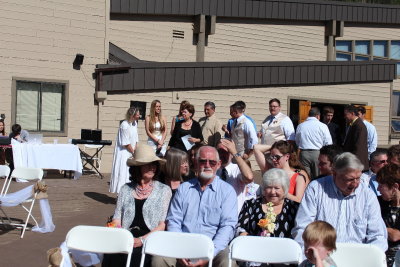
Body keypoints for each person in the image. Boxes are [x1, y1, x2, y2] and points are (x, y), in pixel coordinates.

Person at [151, 146, 238, 267]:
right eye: (203, 161)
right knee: (159, 259)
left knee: (228, 262)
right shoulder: (184, 188)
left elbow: (227, 227)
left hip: (214, 247)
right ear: (196, 163)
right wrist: (180, 250)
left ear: (218, 165)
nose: (207, 165)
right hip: (183, 245)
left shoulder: (227, 192)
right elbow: (174, 220)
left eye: (212, 162)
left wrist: (210, 254)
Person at [292, 152, 388, 252]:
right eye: (350, 179)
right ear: (334, 174)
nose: (355, 184)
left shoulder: (367, 195)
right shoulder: (316, 188)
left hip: (358, 256)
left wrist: (369, 258)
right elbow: (302, 228)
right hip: (322, 255)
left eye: (358, 178)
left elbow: (378, 236)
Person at [102, 144, 172, 267]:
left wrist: (142, 240)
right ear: (137, 167)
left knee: (136, 256)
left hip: (151, 239)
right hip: (126, 237)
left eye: (154, 164)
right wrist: (121, 238)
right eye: (148, 164)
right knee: (111, 255)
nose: (152, 168)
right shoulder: (125, 189)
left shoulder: (164, 190)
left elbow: (162, 225)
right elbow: (116, 219)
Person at [237, 168, 299, 238]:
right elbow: (239, 228)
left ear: (284, 189)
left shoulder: (293, 207)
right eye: (269, 187)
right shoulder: (250, 204)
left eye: (276, 188)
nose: (272, 192)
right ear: (263, 188)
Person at [217, 138, 258, 213]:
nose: (222, 154)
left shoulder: (237, 169)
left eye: (226, 151)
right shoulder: (213, 171)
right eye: (219, 151)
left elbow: (249, 177)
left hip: (236, 217)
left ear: (231, 154)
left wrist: (235, 152)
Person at [109, 107, 140, 194]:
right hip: (124, 153)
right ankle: (120, 194)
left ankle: (129, 193)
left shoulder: (135, 124)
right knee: (123, 172)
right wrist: (133, 152)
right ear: (132, 115)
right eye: (137, 114)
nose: (139, 116)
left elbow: (136, 139)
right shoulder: (124, 125)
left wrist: (135, 150)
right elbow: (125, 143)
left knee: (130, 174)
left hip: (132, 152)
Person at [295, 107, 332, 179]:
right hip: (317, 153)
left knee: (305, 177)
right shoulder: (323, 126)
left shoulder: (301, 126)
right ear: (318, 116)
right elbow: (328, 142)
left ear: (309, 115)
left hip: (304, 153)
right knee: (318, 176)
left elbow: (297, 141)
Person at [377, 164, 400, 266]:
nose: (378, 189)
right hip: (380, 259)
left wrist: (376, 227)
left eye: (381, 185)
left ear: (395, 187)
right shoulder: (377, 203)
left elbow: (395, 236)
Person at [342, 105, 369, 171]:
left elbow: (358, 147)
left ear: (352, 114)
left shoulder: (359, 126)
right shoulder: (354, 125)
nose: (345, 117)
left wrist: (354, 164)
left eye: (346, 115)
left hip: (357, 164)